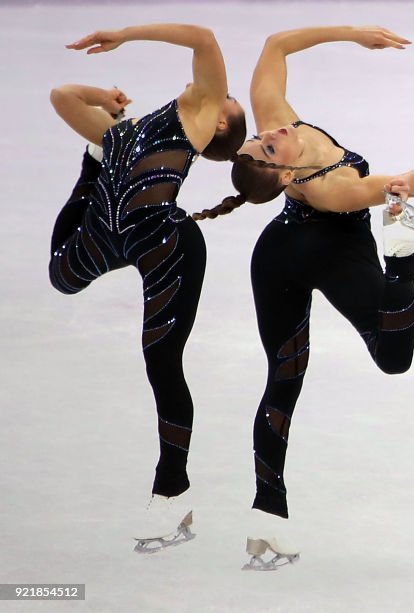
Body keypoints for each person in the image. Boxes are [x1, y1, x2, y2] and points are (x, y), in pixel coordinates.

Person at [191, 25, 414, 570]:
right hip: (324, 254)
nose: (269, 130)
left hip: (276, 250)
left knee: (286, 378)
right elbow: (413, 177)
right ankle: (404, 260)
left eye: (259, 137)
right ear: (284, 174)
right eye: (269, 145)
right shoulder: (330, 188)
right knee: (392, 357)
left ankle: (266, 515)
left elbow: (274, 43)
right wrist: (406, 183)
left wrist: (353, 34)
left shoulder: (276, 119)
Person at [49, 23, 246, 551]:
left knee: (161, 363)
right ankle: (92, 169)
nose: (211, 85)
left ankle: (171, 494)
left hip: (166, 243)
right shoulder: (126, 129)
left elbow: (204, 38)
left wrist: (124, 34)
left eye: (222, 93)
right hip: (109, 236)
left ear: (220, 118)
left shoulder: (198, 117)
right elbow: (63, 96)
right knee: (60, 276)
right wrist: (107, 102)